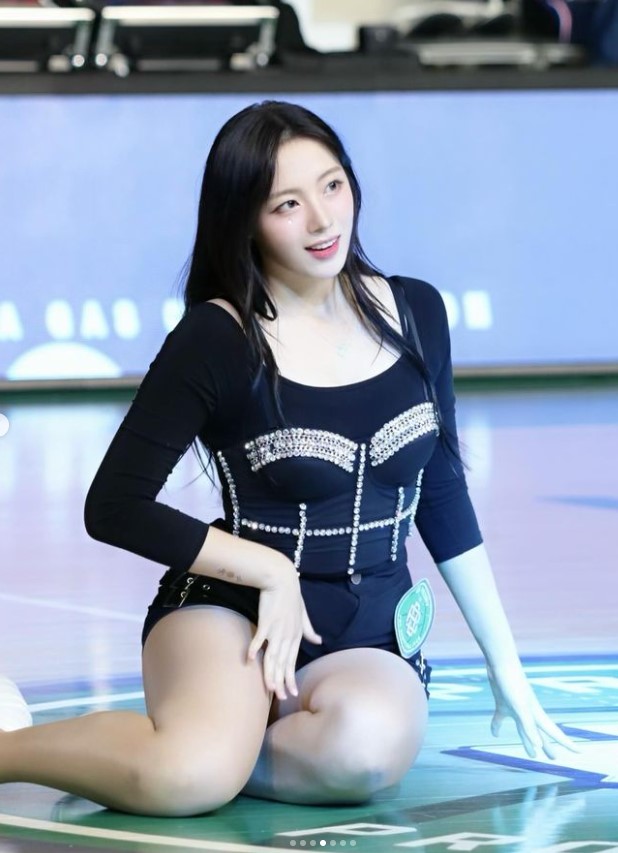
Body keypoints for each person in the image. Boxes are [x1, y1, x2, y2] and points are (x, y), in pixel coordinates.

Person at [0, 100, 574, 816]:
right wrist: (269, 570)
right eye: (287, 205)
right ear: (246, 219)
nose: (323, 220)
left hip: (366, 631)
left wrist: (504, 660)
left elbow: (442, 487)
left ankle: (216, 745)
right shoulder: (217, 337)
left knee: (362, 756)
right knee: (189, 778)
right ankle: (22, 746)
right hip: (232, 612)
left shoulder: (417, 311)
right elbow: (114, 505)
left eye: (333, 186)